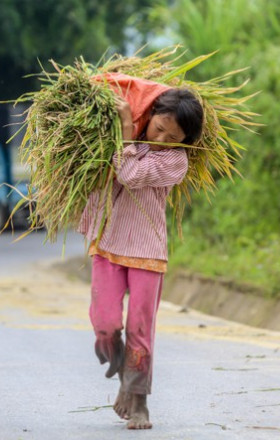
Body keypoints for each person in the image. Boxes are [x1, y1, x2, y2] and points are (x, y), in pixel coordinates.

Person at [78, 85, 204, 430]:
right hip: (107, 244)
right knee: (105, 325)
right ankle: (121, 371)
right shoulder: (123, 138)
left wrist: (125, 128)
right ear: (149, 117)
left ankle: (139, 402)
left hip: (147, 251)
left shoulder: (174, 161)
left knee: (139, 329)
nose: (162, 137)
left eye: (173, 135)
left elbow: (130, 174)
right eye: (159, 127)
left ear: (184, 141)